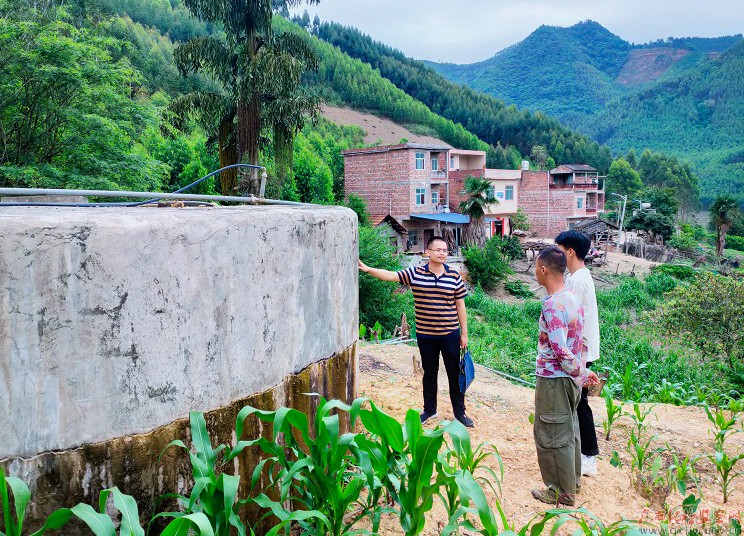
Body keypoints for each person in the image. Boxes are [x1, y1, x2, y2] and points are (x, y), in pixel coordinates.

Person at [358, 236, 473, 427]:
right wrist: (369, 269)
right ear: (428, 252)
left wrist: (464, 333)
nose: (442, 253)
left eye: (445, 250)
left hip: (450, 334)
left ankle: (460, 413)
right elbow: (391, 275)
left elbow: (460, 305)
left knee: (455, 374)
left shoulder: (453, 276)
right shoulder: (415, 273)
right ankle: (430, 410)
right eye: (438, 250)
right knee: (429, 373)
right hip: (426, 335)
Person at [531, 246, 599, 506]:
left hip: (554, 380)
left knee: (550, 433)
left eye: (537, 267)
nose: (536, 272)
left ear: (544, 270)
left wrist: (581, 372)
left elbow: (559, 349)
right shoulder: (571, 298)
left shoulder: (553, 304)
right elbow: (580, 342)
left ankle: (560, 491)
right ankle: (572, 482)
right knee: (569, 429)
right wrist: (581, 372)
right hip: (569, 380)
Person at [555, 230, 601, 477]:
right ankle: (584, 452)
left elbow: (570, 320)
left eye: (559, 249)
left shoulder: (575, 281)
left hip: (580, 350)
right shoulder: (581, 276)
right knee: (578, 401)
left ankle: (589, 456)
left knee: (579, 402)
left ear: (570, 251)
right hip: (583, 348)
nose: (557, 254)